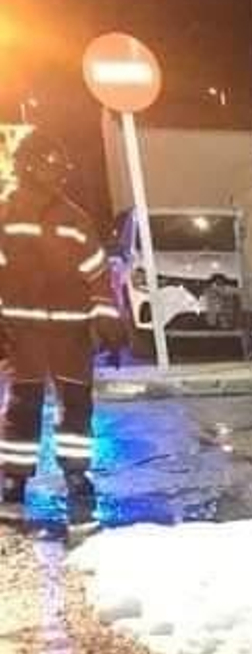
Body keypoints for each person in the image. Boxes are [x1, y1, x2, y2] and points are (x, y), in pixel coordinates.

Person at [0, 130, 123, 522]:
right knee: (22, 407)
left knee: (76, 407)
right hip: (23, 333)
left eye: (59, 167)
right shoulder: (5, 214)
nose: (57, 174)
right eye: (50, 165)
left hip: (71, 333)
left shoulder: (74, 219)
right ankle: (14, 478)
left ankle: (75, 473)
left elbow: (97, 275)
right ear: (29, 165)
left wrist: (108, 322)